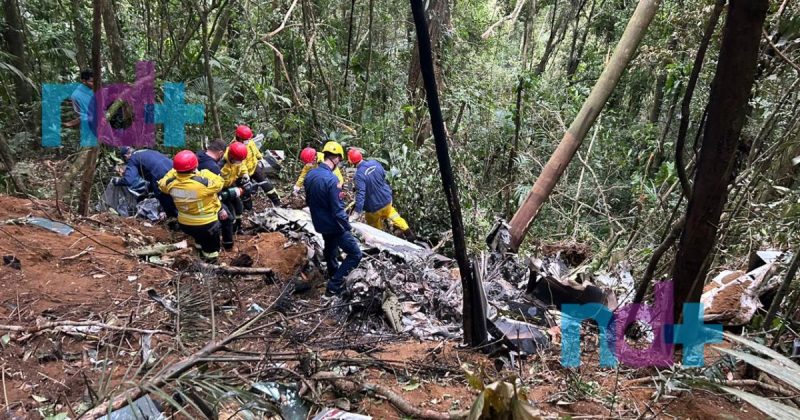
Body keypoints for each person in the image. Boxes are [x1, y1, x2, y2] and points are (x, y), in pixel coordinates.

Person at [305, 141, 362, 298]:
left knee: (330, 249)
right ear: (336, 158)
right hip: (334, 225)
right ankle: (334, 285)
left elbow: (308, 200)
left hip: (319, 223)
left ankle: (332, 273)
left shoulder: (310, 175)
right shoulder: (332, 180)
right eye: (339, 159)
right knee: (355, 254)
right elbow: (338, 211)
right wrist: (348, 228)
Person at [158, 150, 236, 262]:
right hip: (207, 224)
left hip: (185, 223)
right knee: (211, 251)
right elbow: (219, 182)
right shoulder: (202, 184)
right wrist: (204, 173)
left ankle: (200, 254)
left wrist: (174, 171)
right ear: (195, 166)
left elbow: (162, 183)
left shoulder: (170, 184)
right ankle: (211, 265)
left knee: (199, 240)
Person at [347, 148, 414, 240]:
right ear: (361, 156)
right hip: (387, 201)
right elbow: (382, 176)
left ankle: (379, 239)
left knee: (374, 226)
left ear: (351, 162)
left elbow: (361, 195)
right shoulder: (375, 163)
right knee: (394, 215)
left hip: (373, 208)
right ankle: (408, 232)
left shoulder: (359, 175)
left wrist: (356, 213)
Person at [113, 147, 178, 220]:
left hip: (159, 173)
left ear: (125, 156)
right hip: (174, 168)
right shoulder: (145, 151)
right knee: (175, 194)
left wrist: (118, 181)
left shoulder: (132, 159)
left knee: (164, 197)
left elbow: (128, 180)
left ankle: (173, 219)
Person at [228, 125, 281, 207]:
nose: (248, 140)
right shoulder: (234, 147)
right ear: (240, 138)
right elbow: (240, 163)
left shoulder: (249, 141)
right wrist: (245, 174)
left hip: (254, 167)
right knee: (245, 192)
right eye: (246, 139)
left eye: (249, 139)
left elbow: (255, 150)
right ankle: (248, 208)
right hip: (241, 173)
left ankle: (277, 202)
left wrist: (260, 158)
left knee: (266, 184)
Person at [219, 141, 250, 237]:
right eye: (237, 160)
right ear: (231, 156)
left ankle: (239, 227)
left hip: (231, 185)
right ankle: (230, 230)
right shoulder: (221, 163)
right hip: (220, 189)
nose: (239, 162)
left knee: (239, 206)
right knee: (229, 211)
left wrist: (245, 174)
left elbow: (242, 166)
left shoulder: (239, 158)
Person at [63, 69, 96, 135]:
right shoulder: (75, 96)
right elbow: (80, 115)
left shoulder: (96, 89)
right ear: (83, 81)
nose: (94, 84)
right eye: (91, 81)